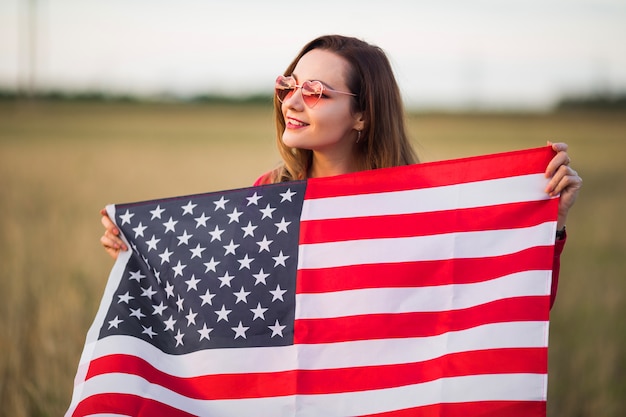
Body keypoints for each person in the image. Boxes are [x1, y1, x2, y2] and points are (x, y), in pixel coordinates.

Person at [99, 34, 582, 306]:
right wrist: (143, 249)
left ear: (363, 115)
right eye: (288, 85)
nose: (291, 102)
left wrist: (549, 222)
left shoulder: (418, 204)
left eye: (315, 92)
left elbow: (504, 298)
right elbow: (221, 287)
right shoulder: (269, 192)